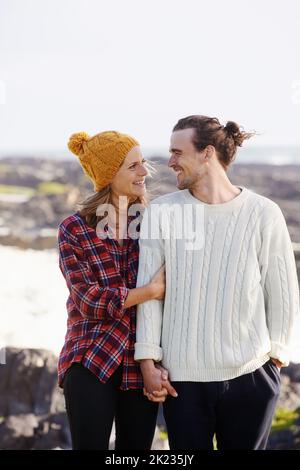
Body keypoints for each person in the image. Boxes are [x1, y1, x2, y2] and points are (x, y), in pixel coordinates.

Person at [134, 115, 300, 450]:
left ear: (207, 153)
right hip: (182, 381)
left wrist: (276, 358)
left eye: (178, 152)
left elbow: (281, 290)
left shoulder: (263, 213)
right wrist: (147, 359)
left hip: (250, 376)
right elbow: (150, 293)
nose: (170, 162)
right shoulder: (162, 213)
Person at [57, 130, 175, 450]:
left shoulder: (153, 223)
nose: (144, 173)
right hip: (91, 357)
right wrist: (150, 291)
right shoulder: (75, 229)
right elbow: (88, 300)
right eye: (133, 166)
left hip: (141, 365)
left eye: (143, 164)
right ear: (109, 175)